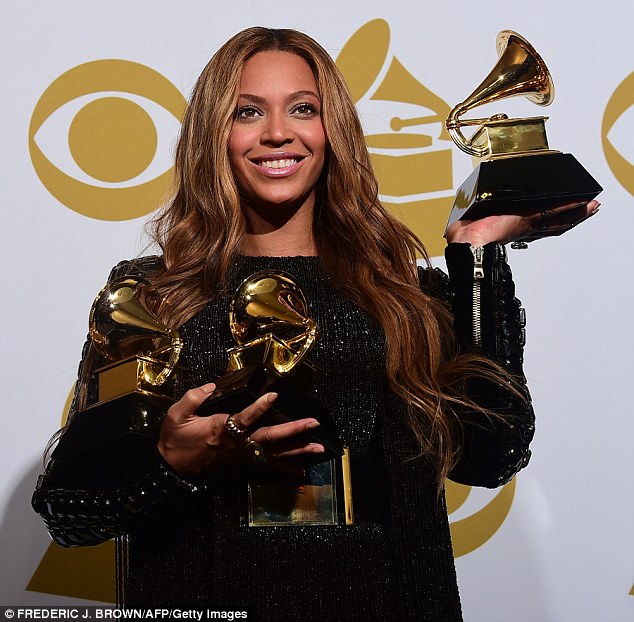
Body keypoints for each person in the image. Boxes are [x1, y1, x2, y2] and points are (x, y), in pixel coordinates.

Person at [32, 27, 598, 621]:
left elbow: (489, 455)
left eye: (304, 108)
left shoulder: (406, 296)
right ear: (212, 135)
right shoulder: (152, 296)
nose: (279, 132)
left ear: (335, 133)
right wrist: (170, 461)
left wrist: (476, 252)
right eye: (248, 111)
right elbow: (68, 510)